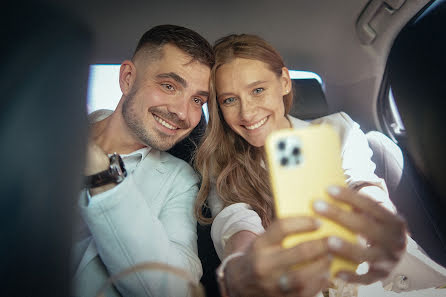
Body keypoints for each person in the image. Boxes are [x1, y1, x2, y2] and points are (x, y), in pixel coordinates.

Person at [194, 34, 446, 297]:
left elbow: (360, 182)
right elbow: (236, 219)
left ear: (284, 82)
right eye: (229, 100)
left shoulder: (337, 129)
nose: (247, 113)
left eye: (258, 90)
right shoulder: (220, 161)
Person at [72, 25, 214, 297]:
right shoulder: (49, 132)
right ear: (127, 78)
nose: (183, 113)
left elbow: (179, 288)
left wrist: (102, 175)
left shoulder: (181, 180)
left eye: (197, 100)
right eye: (169, 86)